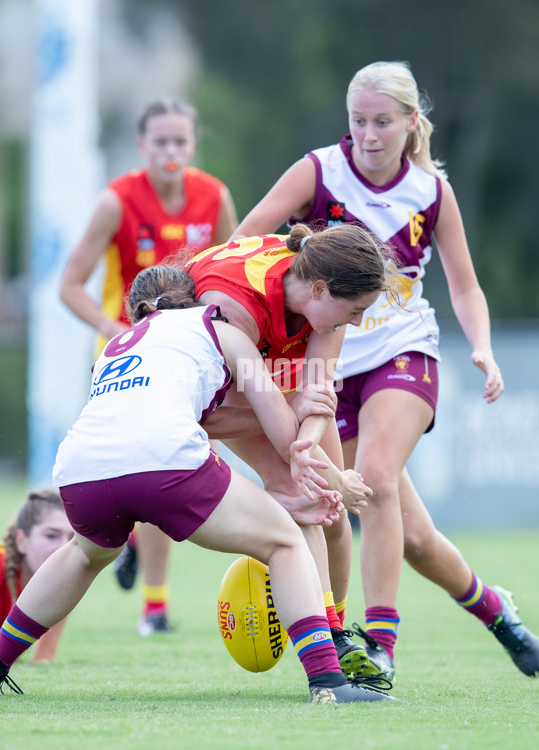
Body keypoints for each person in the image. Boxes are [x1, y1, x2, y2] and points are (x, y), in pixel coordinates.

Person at [228, 60, 539, 681]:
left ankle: (377, 648)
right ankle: (496, 611)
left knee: (371, 477)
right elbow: (246, 238)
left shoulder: (432, 192)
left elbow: (466, 286)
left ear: (411, 123)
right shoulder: (317, 171)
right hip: (327, 367)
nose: (368, 135)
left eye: (382, 122)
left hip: (405, 352)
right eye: (358, 121)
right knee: (413, 536)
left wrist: (481, 345)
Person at [0, 266, 394, 704]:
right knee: (284, 542)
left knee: (83, 554)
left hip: (80, 469)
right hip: (164, 461)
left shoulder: (114, 346)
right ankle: (328, 682)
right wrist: (304, 426)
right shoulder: (220, 330)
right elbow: (282, 434)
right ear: (196, 296)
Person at [60, 98, 238, 636]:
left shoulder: (214, 196)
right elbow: (70, 286)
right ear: (142, 146)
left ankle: (154, 606)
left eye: (180, 141)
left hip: (186, 361)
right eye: (160, 141)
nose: (171, 151)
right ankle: (131, 547)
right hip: (126, 360)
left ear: (192, 144)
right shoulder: (117, 202)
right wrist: (118, 332)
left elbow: (231, 272)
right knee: (148, 466)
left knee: (171, 463)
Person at [185, 221, 394, 678]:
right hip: (217, 396)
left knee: (331, 509)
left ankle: (333, 632)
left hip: (272, 380)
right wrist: (331, 474)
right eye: (355, 311)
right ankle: (325, 655)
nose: (357, 322)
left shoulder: (326, 293)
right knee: (306, 497)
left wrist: (315, 456)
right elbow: (219, 414)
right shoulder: (233, 307)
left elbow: (318, 395)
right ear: (319, 289)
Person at [0, 489, 74, 664]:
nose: (64, 548)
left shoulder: (59, 588)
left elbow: (43, 660)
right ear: (22, 541)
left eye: (72, 539)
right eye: (51, 535)